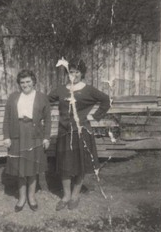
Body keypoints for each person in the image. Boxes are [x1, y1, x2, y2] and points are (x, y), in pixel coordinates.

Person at [48, 59, 110, 211]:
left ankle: (75, 195)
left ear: (82, 73)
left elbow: (106, 100)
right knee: (64, 166)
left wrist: (94, 117)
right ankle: (66, 196)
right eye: (71, 72)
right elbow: (45, 100)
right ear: (67, 73)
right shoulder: (61, 90)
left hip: (81, 133)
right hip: (64, 133)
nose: (73, 75)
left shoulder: (88, 90)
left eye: (77, 72)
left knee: (80, 165)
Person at [3, 69, 51, 212]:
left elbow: (48, 119)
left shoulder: (42, 97)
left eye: (28, 81)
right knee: (20, 168)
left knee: (32, 168)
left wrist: (46, 137)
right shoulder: (13, 97)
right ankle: (21, 198)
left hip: (34, 134)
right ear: (19, 84)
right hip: (17, 133)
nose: (25, 84)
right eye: (22, 82)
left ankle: (31, 197)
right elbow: (6, 119)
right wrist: (6, 136)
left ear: (33, 82)